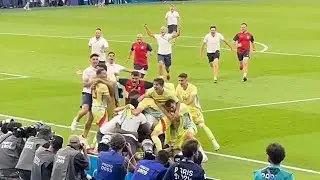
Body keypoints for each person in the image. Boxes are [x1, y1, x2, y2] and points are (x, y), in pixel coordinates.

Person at [133, 78, 180, 152]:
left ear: (162, 86)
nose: (155, 86)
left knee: (171, 124)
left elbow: (177, 102)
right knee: (151, 128)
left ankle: (168, 143)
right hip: (154, 114)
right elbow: (143, 97)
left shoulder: (168, 94)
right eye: (154, 84)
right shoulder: (149, 95)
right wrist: (138, 99)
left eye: (157, 85)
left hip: (163, 112)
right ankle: (155, 145)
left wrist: (176, 112)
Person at [175, 73, 220, 151]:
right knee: (185, 129)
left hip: (194, 110)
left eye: (182, 80)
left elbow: (190, 101)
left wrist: (182, 104)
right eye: (179, 80)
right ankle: (192, 147)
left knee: (202, 125)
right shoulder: (178, 87)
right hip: (185, 111)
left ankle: (214, 143)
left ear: (186, 80)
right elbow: (175, 98)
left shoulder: (193, 88)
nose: (180, 82)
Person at [70, 54, 99, 132]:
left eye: (96, 59)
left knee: (91, 117)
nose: (95, 61)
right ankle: (76, 119)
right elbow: (85, 84)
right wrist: (93, 80)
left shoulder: (100, 70)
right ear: (90, 60)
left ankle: (85, 135)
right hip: (87, 92)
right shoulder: (87, 71)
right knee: (85, 110)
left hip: (96, 94)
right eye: (94, 59)